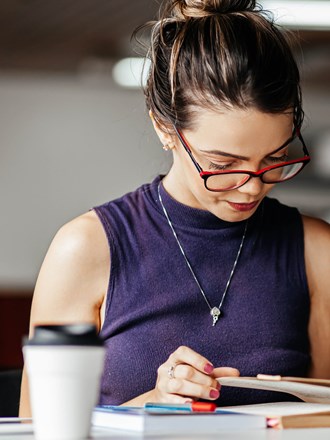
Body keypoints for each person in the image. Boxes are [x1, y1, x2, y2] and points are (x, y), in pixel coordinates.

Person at [20, 0, 330, 416]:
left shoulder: (316, 251)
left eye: (275, 158)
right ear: (165, 128)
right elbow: (39, 428)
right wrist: (152, 404)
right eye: (223, 165)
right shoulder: (85, 249)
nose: (253, 187)